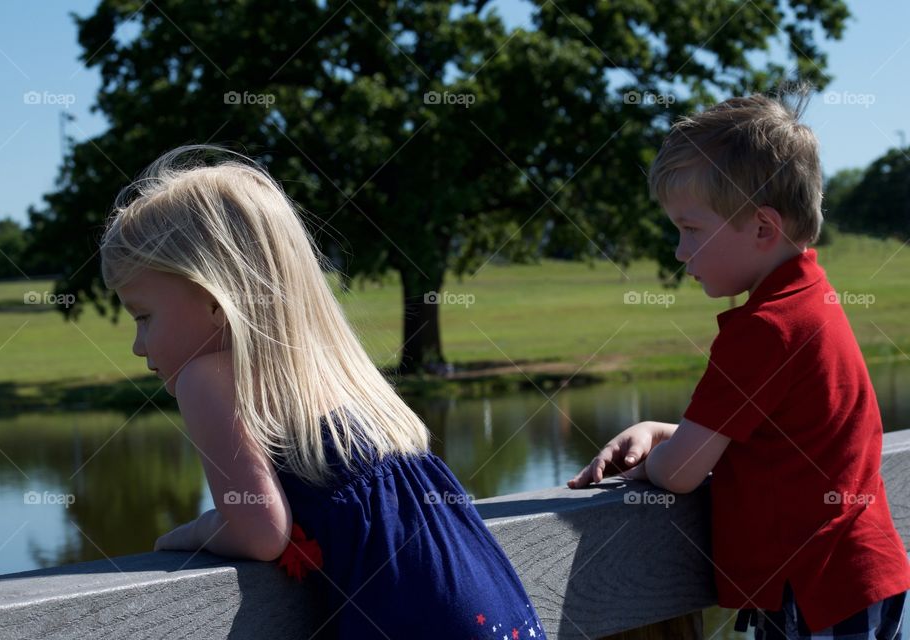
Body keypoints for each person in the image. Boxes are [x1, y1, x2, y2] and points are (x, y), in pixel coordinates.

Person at [100, 145, 545, 639]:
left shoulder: (203, 379)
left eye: (143, 317)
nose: (139, 346)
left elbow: (260, 531)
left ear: (213, 300)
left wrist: (192, 531)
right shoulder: (340, 381)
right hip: (492, 610)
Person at [568, 93, 910, 638]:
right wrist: (663, 432)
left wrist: (649, 467)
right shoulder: (813, 299)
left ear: (761, 228)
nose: (680, 252)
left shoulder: (762, 330)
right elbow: (771, 437)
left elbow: (681, 474)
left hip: (813, 590)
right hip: (863, 575)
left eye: (691, 230)